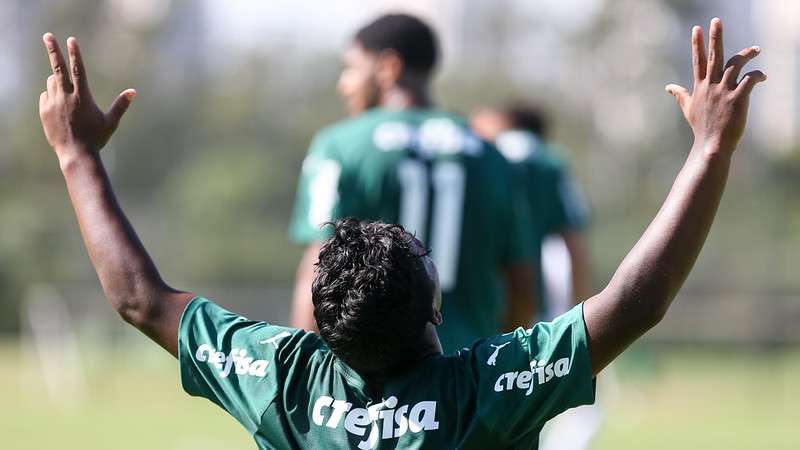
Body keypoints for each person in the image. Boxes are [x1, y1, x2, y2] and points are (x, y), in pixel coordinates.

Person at [39, 17, 765, 449]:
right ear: (435, 308)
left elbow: (139, 297)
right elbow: (635, 302)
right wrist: (709, 151)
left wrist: (76, 155)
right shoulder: (483, 389)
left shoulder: (287, 382)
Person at [288, 14, 537, 352]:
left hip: (373, 380)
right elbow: (521, 283)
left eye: (351, 68)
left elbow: (317, 270)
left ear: (388, 67)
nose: (343, 84)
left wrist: (304, 374)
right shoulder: (492, 155)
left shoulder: (341, 146)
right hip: (468, 374)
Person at [471, 104, 592, 320]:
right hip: (533, 298)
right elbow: (574, 241)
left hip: (480, 297)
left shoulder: (484, 155)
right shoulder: (551, 162)